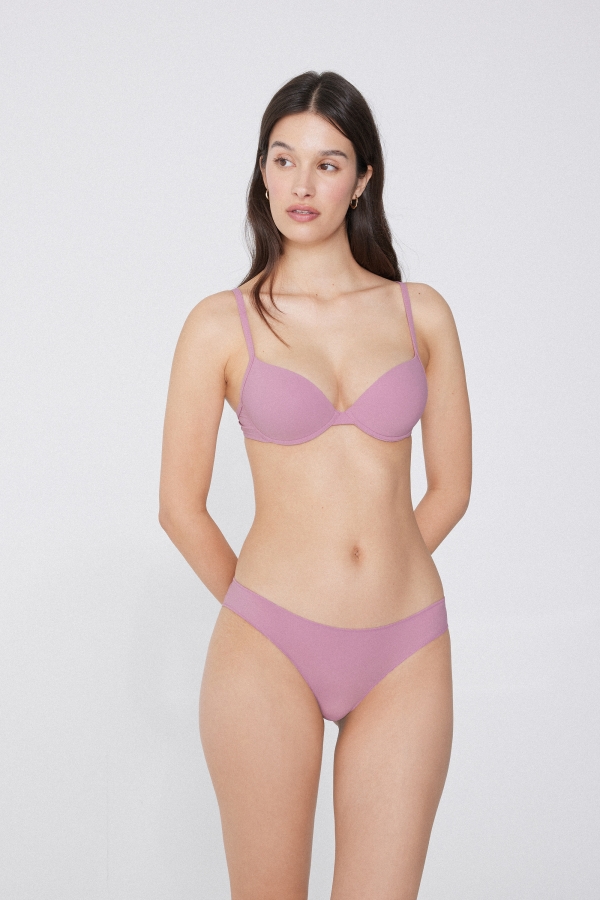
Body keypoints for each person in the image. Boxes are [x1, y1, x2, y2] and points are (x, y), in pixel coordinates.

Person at [159, 70, 472, 900]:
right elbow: (179, 508)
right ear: (262, 171)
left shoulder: (421, 314)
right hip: (269, 645)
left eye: (328, 164)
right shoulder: (220, 323)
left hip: (406, 646)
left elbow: (451, 488)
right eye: (283, 159)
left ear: (362, 178)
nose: (301, 184)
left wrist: (375, 573)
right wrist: (265, 606)